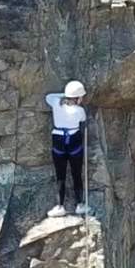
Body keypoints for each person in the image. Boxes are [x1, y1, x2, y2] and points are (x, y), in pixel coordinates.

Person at [45, 81, 89, 217]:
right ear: (78, 98)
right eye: (80, 96)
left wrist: (64, 97)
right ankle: (80, 205)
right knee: (76, 174)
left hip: (58, 141)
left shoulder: (56, 104)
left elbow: (49, 96)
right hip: (74, 142)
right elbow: (83, 119)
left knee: (60, 175)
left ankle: (60, 206)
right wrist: (70, 97)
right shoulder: (79, 110)